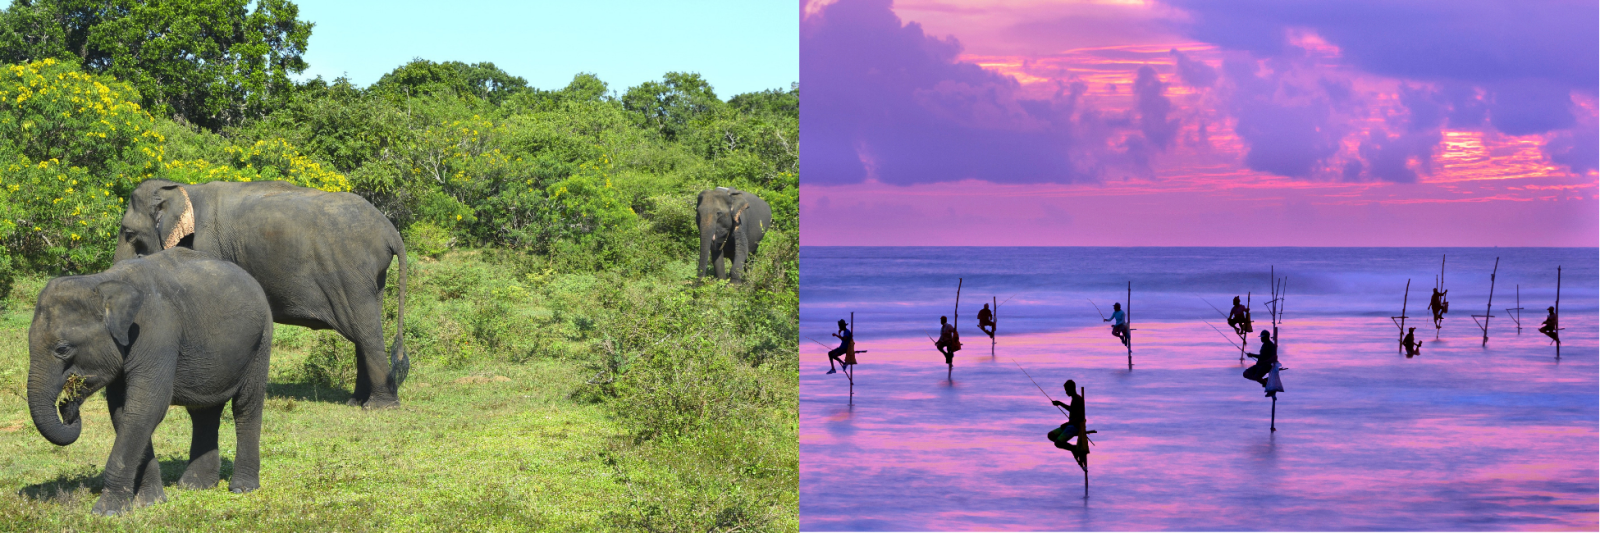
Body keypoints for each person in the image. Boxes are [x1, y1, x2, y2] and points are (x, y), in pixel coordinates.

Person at [1047, 380, 1089, 470]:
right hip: (1070, 426)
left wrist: (1067, 423)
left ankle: (1074, 449)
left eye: (1067, 390)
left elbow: (1080, 417)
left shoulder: (1077, 400)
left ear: (1072, 388)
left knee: (1058, 443)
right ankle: (1073, 448)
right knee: (1051, 435)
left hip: (1075, 427)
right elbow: (1072, 409)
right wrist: (1060, 403)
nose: (1066, 392)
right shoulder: (1074, 399)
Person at [1244, 330, 1278, 395]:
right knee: (1246, 373)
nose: (1261, 338)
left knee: (1257, 377)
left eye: (1263, 337)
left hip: (1266, 366)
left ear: (1267, 337)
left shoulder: (1271, 346)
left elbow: (1274, 358)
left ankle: (1268, 386)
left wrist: (1263, 362)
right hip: (1259, 365)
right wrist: (1252, 355)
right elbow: (1261, 356)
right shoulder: (1264, 345)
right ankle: (1264, 381)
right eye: (1261, 337)